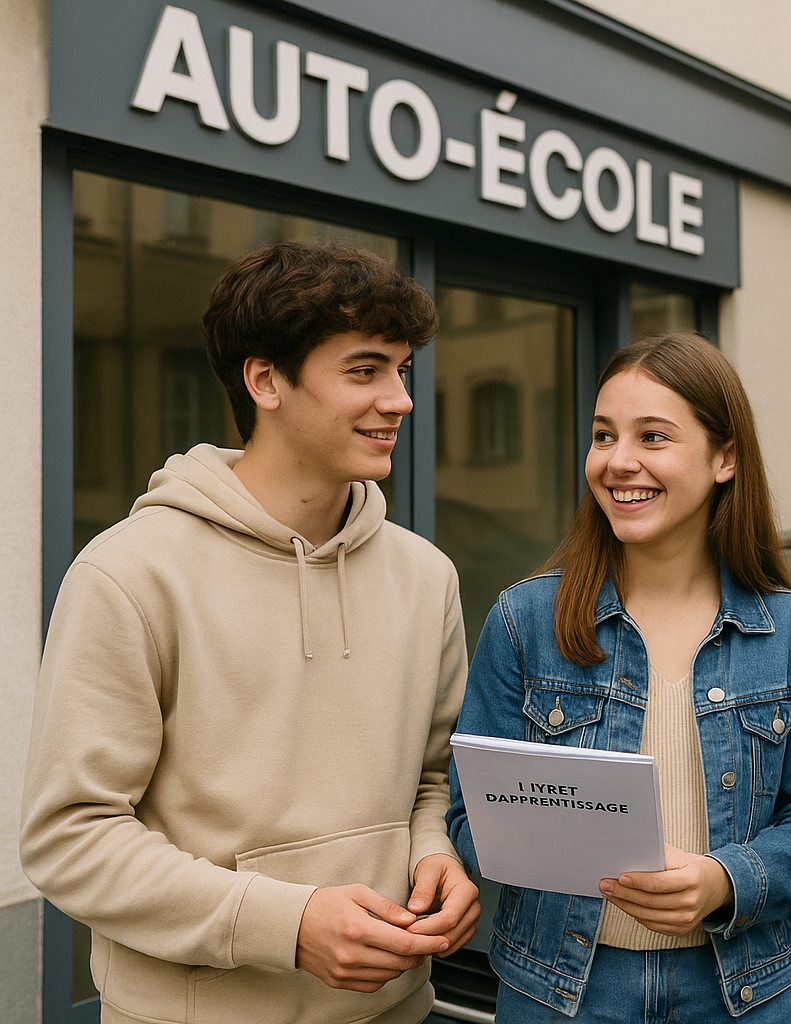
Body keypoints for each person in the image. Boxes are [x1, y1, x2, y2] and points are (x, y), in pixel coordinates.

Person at [21, 241, 479, 1024]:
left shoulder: (425, 575)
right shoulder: (130, 574)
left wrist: (437, 853)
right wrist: (285, 924)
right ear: (265, 379)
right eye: (365, 370)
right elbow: (73, 836)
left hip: (397, 1010)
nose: (401, 399)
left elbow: (432, 779)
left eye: (403, 370)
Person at [447, 332, 791, 1022]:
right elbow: (468, 815)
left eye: (653, 437)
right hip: (560, 992)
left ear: (725, 457)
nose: (619, 462)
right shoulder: (524, 621)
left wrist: (725, 880)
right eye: (604, 435)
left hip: (739, 995)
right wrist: (543, 835)